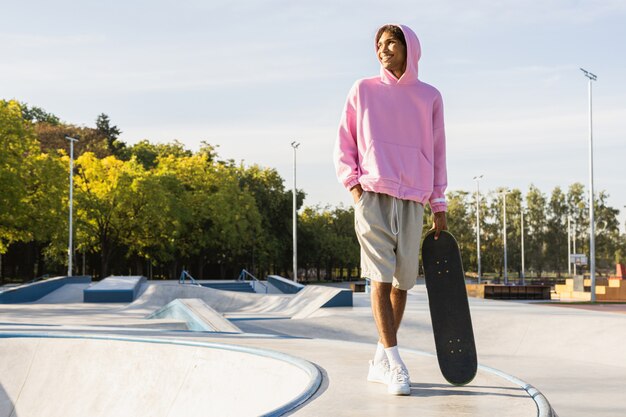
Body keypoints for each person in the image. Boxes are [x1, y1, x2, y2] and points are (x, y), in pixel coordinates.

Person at [333, 23, 448, 395]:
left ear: (409, 48)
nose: (383, 49)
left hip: (415, 198)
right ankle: (396, 363)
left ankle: (381, 358)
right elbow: (344, 141)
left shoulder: (429, 96)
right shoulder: (363, 89)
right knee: (380, 279)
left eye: (391, 42)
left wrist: (438, 201)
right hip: (373, 195)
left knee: (403, 283)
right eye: (378, 44)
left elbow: (438, 150)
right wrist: (355, 187)